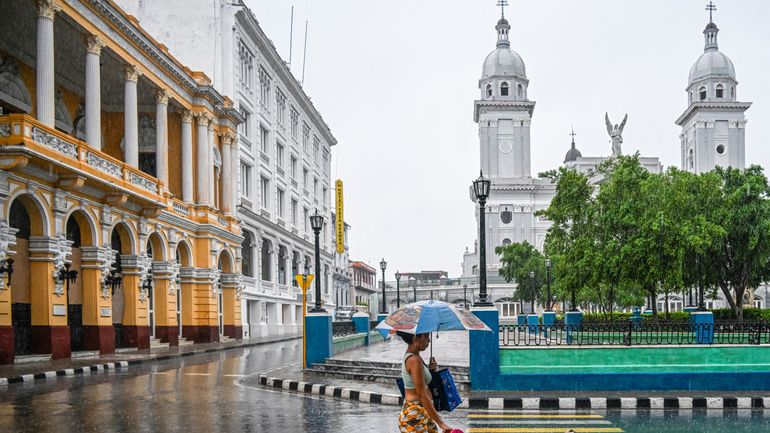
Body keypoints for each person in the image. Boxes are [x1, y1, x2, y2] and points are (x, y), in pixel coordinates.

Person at [397, 331, 453, 433]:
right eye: (426, 337)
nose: (429, 341)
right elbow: (421, 395)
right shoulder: (414, 360)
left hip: (424, 411)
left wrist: (430, 370)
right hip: (414, 415)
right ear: (415, 338)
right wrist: (441, 423)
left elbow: (421, 381)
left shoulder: (416, 356)